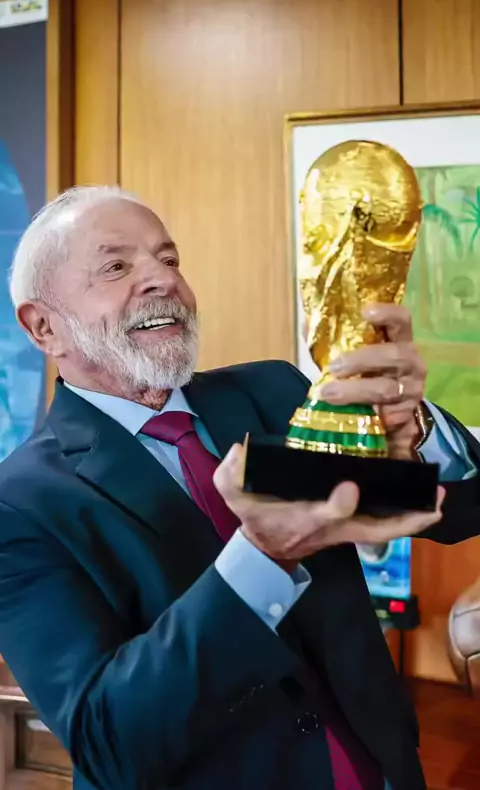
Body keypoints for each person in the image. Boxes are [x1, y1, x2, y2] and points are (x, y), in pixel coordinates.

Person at [0, 186, 478, 790]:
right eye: (116, 267)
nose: (163, 279)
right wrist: (262, 557)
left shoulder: (277, 394)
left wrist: (416, 428)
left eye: (169, 259)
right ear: (43, 327)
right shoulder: (20, 504)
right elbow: (108, 741)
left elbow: (448, 509)